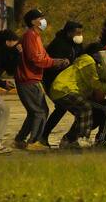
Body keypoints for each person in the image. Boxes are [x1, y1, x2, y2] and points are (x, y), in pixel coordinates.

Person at [13, 9, 70, 151]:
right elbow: (36, 59)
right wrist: (56, 62)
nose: (43, 20)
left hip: (32, 78)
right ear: (33, 22)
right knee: (40, 111)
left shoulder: (35, 36)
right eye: (40, 18)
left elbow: (42, 57)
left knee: (35, 111)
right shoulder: (30, 36)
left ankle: (20, 139)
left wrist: (54, 61)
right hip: (29, 78)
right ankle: (34, 141)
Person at [49, 42, 106, 149]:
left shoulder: (92, 63)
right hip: (65, 89)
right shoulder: (88, 61)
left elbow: (101, 73)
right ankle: (82, 139)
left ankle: (69, 140)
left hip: (61, 89)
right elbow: (95, 83)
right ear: (96, 53)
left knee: (82, 114)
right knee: (86, 108)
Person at [41, 21, 84, 146]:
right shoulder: (59, 44)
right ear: (69, 33)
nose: (80, 35)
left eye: (81, 32)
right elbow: (53, 65)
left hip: (68, 82)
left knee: (63, 108)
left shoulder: (76, 44)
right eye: (77, 33)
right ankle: (63, 138)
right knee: (68, 107)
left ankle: (50, 136)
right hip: (54, 81)